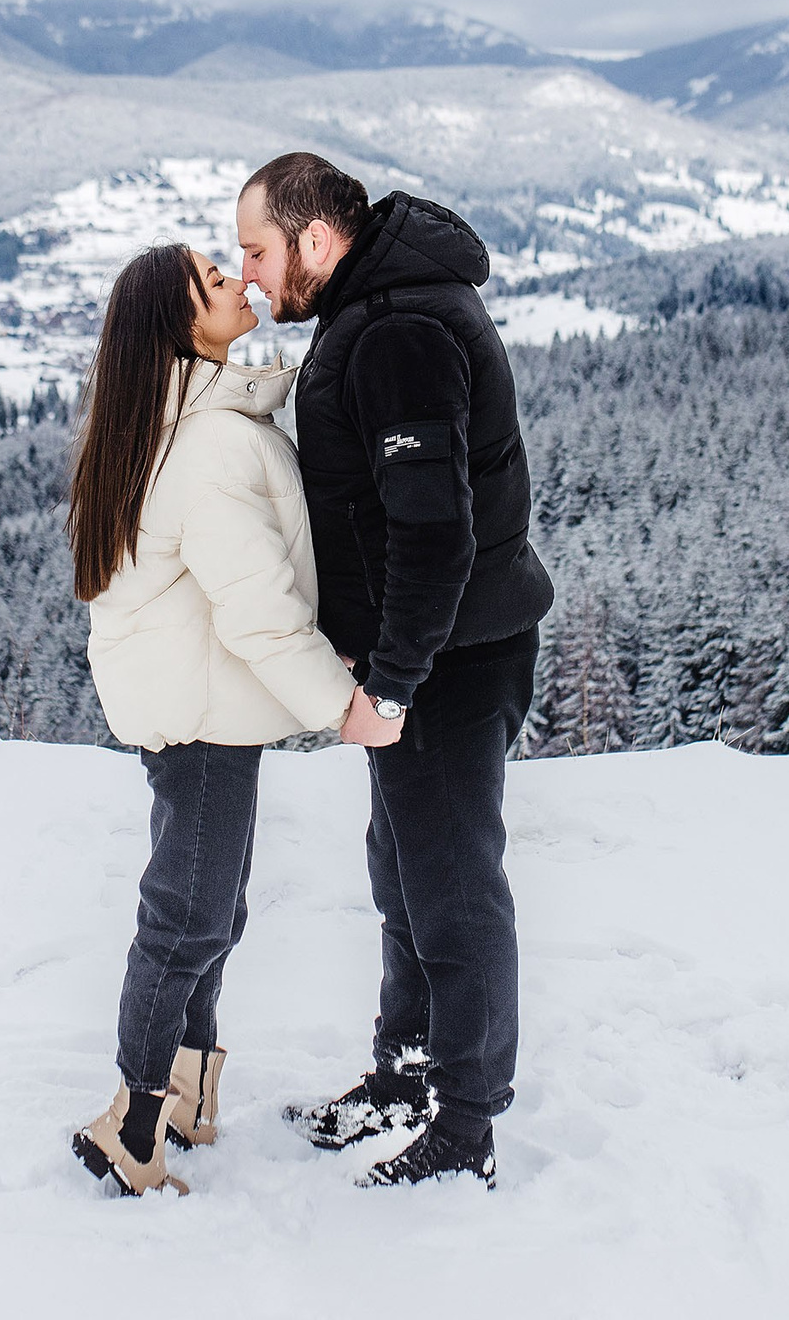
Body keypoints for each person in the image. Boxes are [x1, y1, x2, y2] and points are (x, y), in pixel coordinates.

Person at [237, 152, 553, 1190]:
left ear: (315, 241)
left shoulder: (398, 329)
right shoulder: (372, 306)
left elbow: (432, 529)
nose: (248, 273)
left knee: (453, 888)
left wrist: (396, 679)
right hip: (427, 647)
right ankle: (408, 1067)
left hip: (451, 657)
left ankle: (466, 1124)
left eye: (257, 249)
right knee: (407, 871)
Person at [63, 243, 384, 1197]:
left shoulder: (192, 418)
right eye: (214, 281)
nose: (239, 282)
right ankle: (133, 1123)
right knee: (188, 916)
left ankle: (189, 1091)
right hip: (202, 713)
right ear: (179, 327)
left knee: (212, 907)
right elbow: (257, 604)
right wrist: (342, 705)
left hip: (204, 708)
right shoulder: (203, 445)